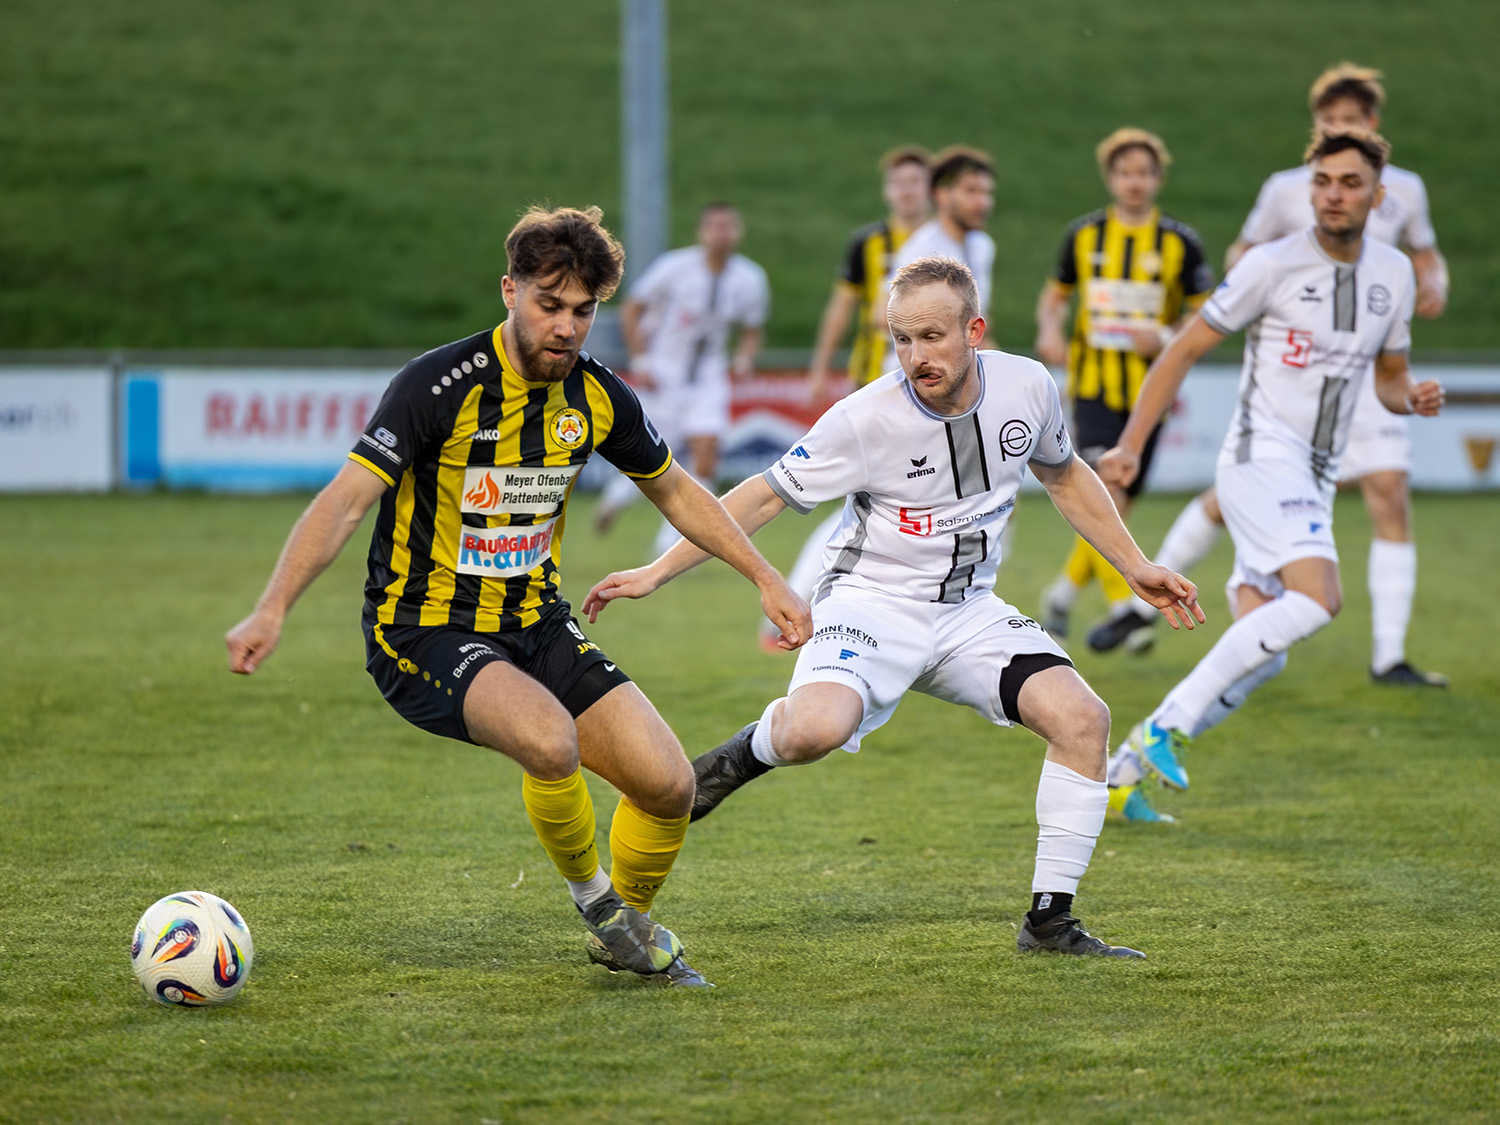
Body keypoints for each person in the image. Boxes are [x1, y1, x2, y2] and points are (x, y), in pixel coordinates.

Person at [225, 205, 810, 988]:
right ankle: (598, 903)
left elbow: (676, 489)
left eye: (583, 310)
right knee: (550, 740)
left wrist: (766, 576)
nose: (566, 327)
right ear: (509, 290)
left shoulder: (599, 396)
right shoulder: (437, 385)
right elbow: (344, 502)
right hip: (424, 628)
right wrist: (272, 607)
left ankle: (624, 927)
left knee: (669, 785)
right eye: (549, 304)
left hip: (536, 622)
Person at [583, 257, 1205, 959]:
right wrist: (659, 570)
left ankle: (1049, 923)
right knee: (813, 730)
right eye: (902, 338)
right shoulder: (864, 418)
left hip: (968, 612)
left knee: (1083, 718)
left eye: (933, 336)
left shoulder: (1028, 385)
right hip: (867, 603)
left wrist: (1136, 564)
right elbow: (759, 495)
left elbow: (1063, 474)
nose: (916, 356)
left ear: (975, 329)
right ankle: (738, 757)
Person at [1097, 130, 1444, 821]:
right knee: (1319, 599)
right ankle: (1167, 724)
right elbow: (1181, 349)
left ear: (1379, 196)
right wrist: (1132, 444)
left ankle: (1120, 774)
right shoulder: (1269, 264)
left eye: (1349, 182)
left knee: (1268, 649)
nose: (1333, 194)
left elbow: (1390, 382)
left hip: (1314, 472)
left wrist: (1414, 399)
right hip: (1259, 455)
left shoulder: (1395, 275)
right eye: (1322, 181)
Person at [1135, 63, 1450, 686]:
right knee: (1242, 505)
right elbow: (1245, 254)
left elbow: (1424, 255)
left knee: (1389, 492)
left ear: (1372, 130)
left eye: (1349, 122)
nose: (1336, 135)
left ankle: (1387, 655)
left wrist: (1435, 280)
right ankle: (1146, 604)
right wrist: (1249, 288)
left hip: (1365, 372)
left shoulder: (1405, 190)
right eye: (1326, 124)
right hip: (1294, 372)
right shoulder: (1287, 190)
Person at [1034, 128, 1215, 655]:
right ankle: (1122, 610)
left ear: (1158, 179)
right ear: (1111, 178)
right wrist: (1049, 329)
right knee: (1106, 495)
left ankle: (1064, 593)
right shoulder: (1084, 235)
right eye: (1125, 172)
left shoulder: (1180, 242)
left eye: (1144, 172)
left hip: (1150, 393)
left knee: (1119, 505)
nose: (1134, 182)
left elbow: (1208, 310)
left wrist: (1161, 336)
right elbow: (1054, 297)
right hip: (1093, 388)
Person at [759, 146, 931, 652]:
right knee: (856, 504)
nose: (906, 191)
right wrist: (819, 366)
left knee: (893, 505)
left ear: (929, 189)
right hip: (876, 390)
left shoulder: (951, 242)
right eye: (898, 182)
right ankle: (798, 612)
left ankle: (892, 612)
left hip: (931, 395)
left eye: (915, 182)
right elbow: (844, 308)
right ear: (888, 190)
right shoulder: (869, 245)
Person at [594, 202, 771, 549]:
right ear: (702, 232)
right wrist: (641, 360)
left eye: (728, 226)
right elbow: (632, 309)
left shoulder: (750, 278)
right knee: (654, 453)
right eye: (714, 227)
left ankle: (672, 542)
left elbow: (753, 328)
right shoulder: (674, 268)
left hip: (708, 373)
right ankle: (616, 497)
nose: (721, 234)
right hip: (664, 370)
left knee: (708, 450)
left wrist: (744, 359)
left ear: (737, 232)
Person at [890, 147, 997, 326]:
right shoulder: (922, 249)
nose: (982, 203)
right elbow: (884, 314)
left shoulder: (982, 245)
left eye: (986, 192)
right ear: (942, 195)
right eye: (971, 191)